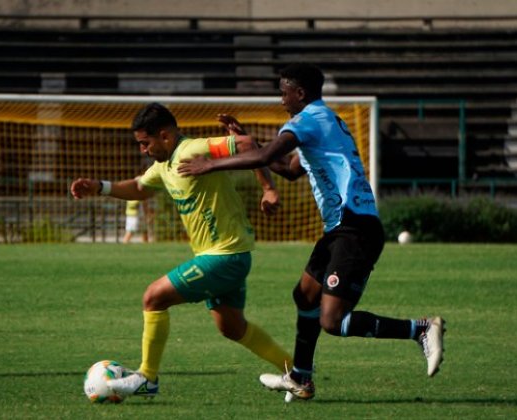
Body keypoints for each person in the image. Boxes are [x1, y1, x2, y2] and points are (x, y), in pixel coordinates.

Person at [178, 63, 445, 402]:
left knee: (332, 320)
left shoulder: (308, 121)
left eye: (283, 92)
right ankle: (301, 378)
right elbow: (287, 169)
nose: (281, 100)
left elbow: (269, 155)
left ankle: (419, 329)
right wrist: (247, 141)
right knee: (304, 295)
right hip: (340, 228)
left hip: (356, 228)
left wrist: (210, 164)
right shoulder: (324, 121)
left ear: (299, 93)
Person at [70, 103, 292, 399]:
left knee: (154, 297)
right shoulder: (164, 166)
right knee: (232, 327)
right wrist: (100, 187)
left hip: (225, 255)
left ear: (164, 135)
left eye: (144, 143)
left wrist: (268, 188)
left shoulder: (193, 149)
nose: (143, 150)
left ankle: (147, 377)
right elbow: (139, 188)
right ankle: (296, 371)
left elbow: (247, 144)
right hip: (222, 255)